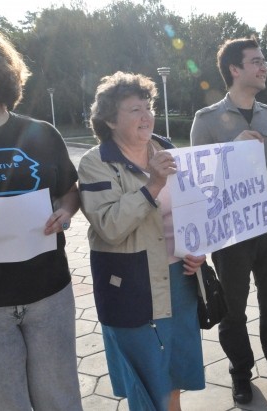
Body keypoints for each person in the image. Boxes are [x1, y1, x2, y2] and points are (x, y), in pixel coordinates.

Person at [190, 36, 267, 405]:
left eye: (265, 61)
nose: (264, 67)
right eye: (256, 61)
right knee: (233, 308)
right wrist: (232, 149)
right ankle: (241, 372)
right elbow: (197, 179)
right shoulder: (206, 120)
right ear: (234, 69)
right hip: (229, 232)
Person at [78, 71, 205, 411]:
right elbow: (109, 226)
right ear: (109, 120)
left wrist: (198, 248)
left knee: (174, 374)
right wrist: (153, 185)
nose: (146, 115)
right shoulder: (96, 163)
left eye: (148, 106)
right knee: (147, 380)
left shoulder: (166, 149)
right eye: (135, 109)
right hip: (132, 283)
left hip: (179, 279)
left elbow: (192, 208)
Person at [0, 25, 82, 410]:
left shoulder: (41, 134)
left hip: (49, 295)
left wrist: (64, 213)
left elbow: (70, 191)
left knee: (60, 400)